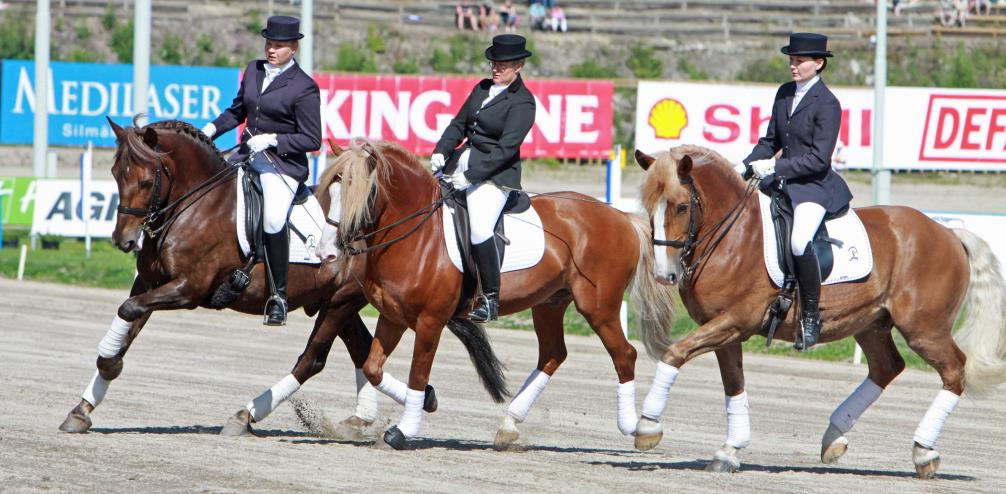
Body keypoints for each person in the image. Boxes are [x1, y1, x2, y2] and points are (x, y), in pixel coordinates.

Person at [201, 15, 321, 326]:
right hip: (245, 154)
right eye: (269, 43)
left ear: (293, 48)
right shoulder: (254, 70)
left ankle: (278, 295)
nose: (271, 50)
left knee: (272, 217)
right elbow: (238, 109)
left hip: (282, 165)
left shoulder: (305, 87)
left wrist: (274, 140)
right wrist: (211, 129)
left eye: (279, 46)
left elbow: (312, 138)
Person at [740, 33, 851, 351]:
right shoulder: (785, 92)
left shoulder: (828, 104)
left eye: (799, 61)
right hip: (782, 182)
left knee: (799, 241)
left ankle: (812, 317)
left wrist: (775, 168)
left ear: (818, 64)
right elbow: (770, 141)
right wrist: (744, 166)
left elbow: (818, 159)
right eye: (791, 59)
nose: (793, 65)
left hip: (813, 186)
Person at [430, 34, 537, 323]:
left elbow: (506, 149)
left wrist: (471, 176)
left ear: (519, 66)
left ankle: (490, 298)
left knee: (479, 228)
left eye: (502, 65)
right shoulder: (482, 88)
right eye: (493, 63)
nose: (495, 68)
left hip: (494, 176)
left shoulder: (524, 103)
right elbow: (459, 124)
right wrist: (441, 151)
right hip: (460, 163)